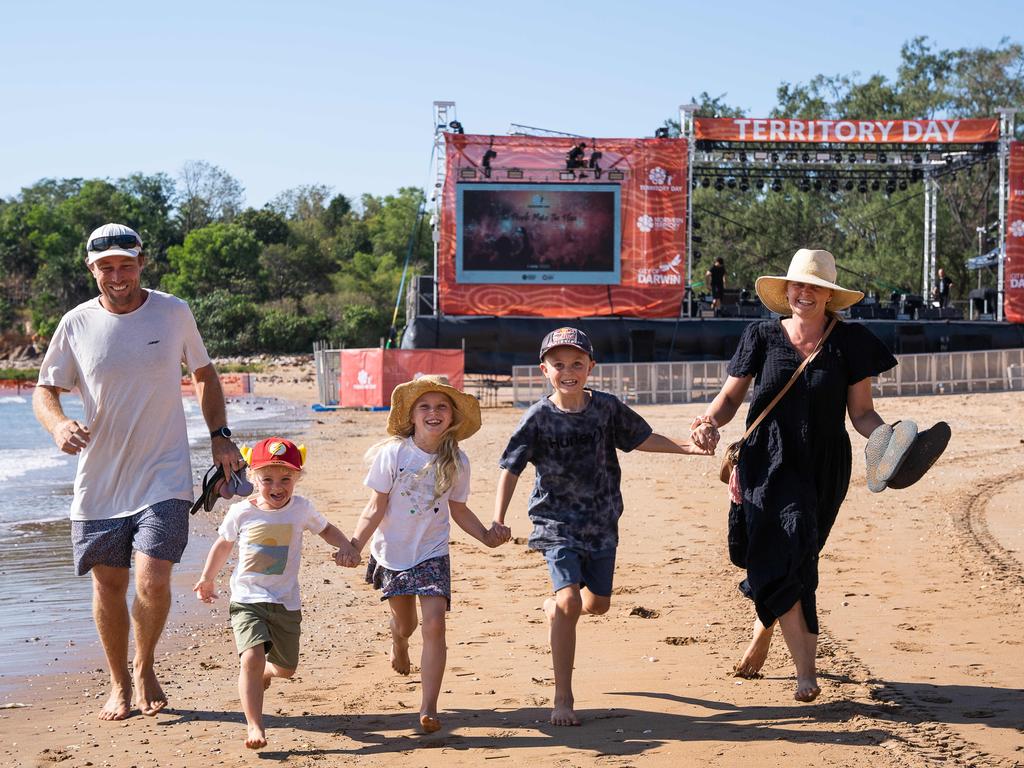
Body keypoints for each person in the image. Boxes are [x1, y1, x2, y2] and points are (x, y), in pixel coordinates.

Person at [33, 222, 244, 721]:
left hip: (164, 474)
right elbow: (46, 390)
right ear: (92, 270)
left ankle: (145, 664)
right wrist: (59, 425)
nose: (117, 274)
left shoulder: (173, 312)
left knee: (151, 580)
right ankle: (119, 682)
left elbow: (204, 374)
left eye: (126, 264)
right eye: (106, 267)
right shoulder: (75, 324)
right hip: (100, 481)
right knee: (108, 585)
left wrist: (220, 434)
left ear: (141, 263)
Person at [689, 249, 896, 703]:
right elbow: (728, 399)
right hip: (765, 464)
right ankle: (807, 672)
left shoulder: (850, 342)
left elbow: (861, 414)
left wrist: (890, 439)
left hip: (824, 467)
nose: (805, 293)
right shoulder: (761, 336)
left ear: (830, 296)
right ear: (786, 292)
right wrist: (708, 422)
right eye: (798, 286)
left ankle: (764, 631)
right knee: (783, 553)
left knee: (800, 555)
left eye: (815, 287)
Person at [493, 327, 710, 726]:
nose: (568, 371)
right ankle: (563, 698)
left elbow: (642, 438)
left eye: (577, 363)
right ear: (545, 370)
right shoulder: (538, 417)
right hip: (556, 522)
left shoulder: (607, 409)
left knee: (597, 605)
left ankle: (554, 608)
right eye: (559, 364)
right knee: (571, 603)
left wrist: (688, 448)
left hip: (602, 522)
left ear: (591, 366)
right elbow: (511, 468)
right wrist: (499, 519)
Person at [349, 376, 511, 734]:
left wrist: (485, 535)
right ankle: (399, 642)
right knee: (407, 624)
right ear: (413, 415)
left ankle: (429, 707)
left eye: (441, 407)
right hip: (392, 552)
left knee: (435, 624)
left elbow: (459, 508)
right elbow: (374, 507)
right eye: (425, 406)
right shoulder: (394, 454)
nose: (434, 412)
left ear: (452, 417)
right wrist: (355, 545)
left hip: (432, 552)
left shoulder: (458, 461)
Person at [193, 437, 361, 750]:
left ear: (297, 478)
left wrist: (346, 546)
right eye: (267, 479)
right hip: (247, 599)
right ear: (253, 479)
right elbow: (224, 545)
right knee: (251, 659)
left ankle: (268, 672)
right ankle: (255, 725)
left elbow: (325, 529)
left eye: (286, 479)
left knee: (287, 668)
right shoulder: (242, 513)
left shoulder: (301, 509)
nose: (277, 486)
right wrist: (207, 578)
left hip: (285, 601)